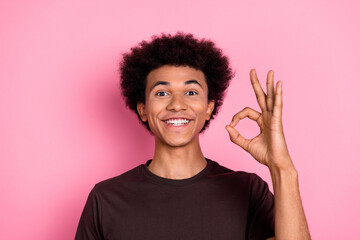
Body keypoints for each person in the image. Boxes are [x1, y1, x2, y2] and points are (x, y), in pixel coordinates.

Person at [75, 32, 311, 240]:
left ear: (208, 107)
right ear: (143, 109)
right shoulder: (105, 200)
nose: (177, 105)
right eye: (162, 92)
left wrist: (282, 168)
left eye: (190, 92)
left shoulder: (248, 191)